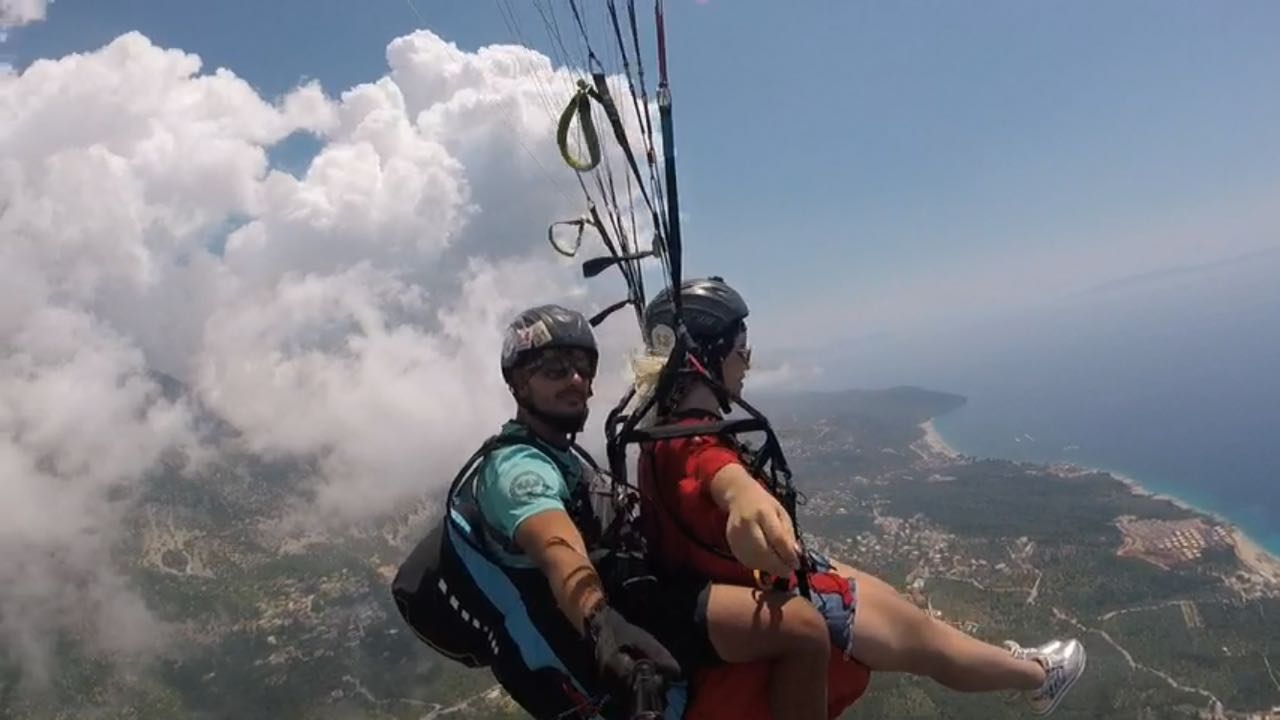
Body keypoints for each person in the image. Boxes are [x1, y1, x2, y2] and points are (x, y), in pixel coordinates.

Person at [629, 276, 1088, 718]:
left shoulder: (659, 437)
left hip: (756, 579)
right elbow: (716, 473)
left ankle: (1026, 668)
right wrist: (744, 496)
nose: (747, 365)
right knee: (929, 644)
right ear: (705, 356)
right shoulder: (690, 446)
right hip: (775, 590)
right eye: (741, 352)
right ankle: (1037, 676)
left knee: (900, 606)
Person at [393, 303, 686, 720]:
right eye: (554, 369)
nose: (575, 379)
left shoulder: (558, 455)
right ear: (518, 383)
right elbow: (556, 547)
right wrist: (601, 623)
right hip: (592, 674)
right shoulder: (518, 471)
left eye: (583, 367)